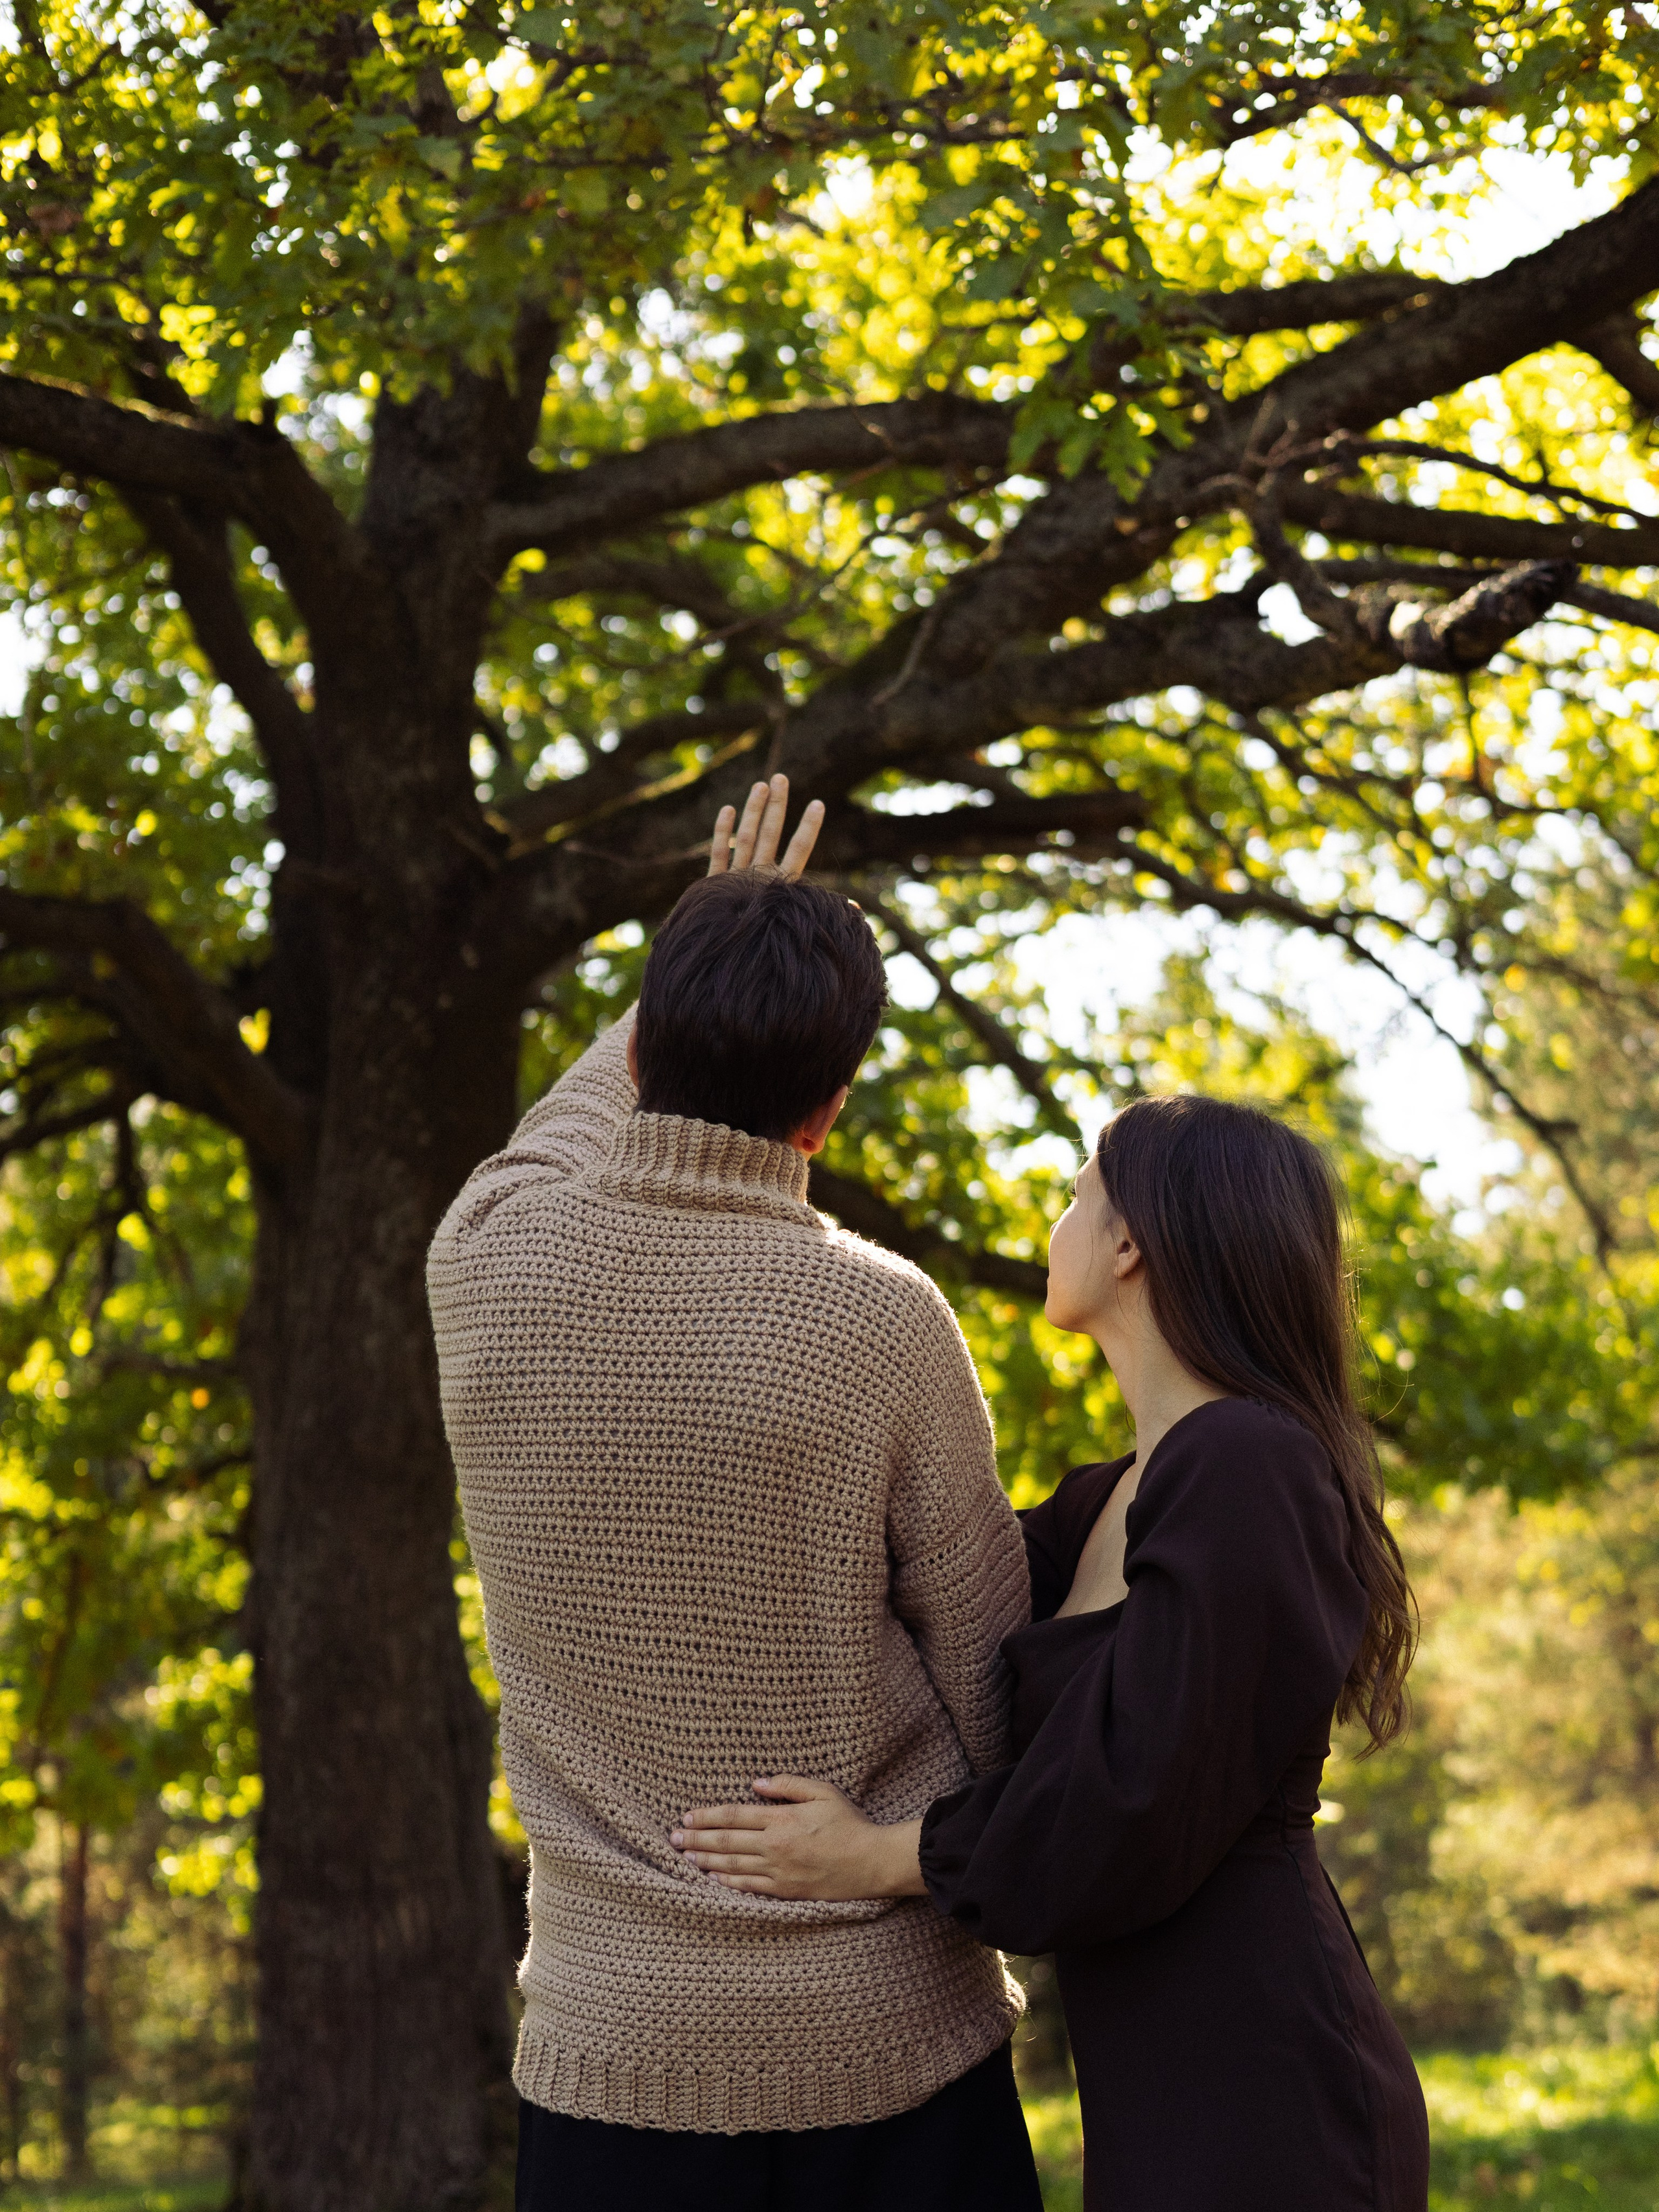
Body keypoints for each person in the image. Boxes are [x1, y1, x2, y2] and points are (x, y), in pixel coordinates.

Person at [426, 776, 1042, 2212]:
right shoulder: (879, 1320)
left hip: (606, 2063)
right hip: (890, 2057)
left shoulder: (481, 1257)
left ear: (643, 1052)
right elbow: (991, 1689)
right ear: (827, 1111)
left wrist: (693, 940)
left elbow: (568, 1126)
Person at [674, 1090, 1433, 2212]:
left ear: (1130, 1243)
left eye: (1077, 1190)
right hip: (1167, 2081)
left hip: (1266, 2087)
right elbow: (908, 1582)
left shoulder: (1245, 1463)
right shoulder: (1110, 1497)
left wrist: (876, 1855)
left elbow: (1134, 1792)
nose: (1058, 1217)